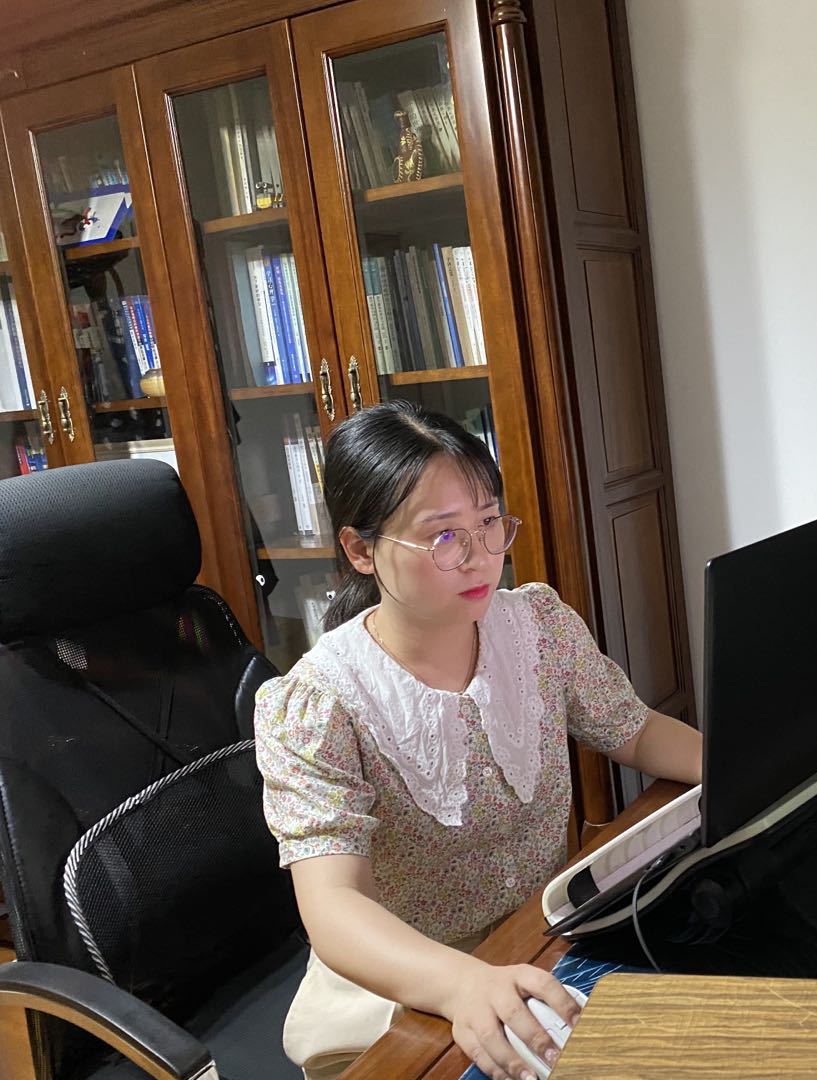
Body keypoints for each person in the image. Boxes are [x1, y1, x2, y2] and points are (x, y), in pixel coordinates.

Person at [254, 400, 702, 1080]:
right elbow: (334, 906)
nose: (481, 559)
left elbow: (634, 731)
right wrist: (460, 983)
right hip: (407, 991)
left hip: (538, 941)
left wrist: (741, 766)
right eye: (443, 536)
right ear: (360, 550)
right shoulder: (319, 704)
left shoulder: (537, 627)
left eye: (489, 523)